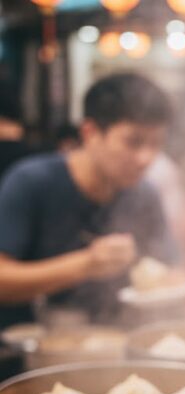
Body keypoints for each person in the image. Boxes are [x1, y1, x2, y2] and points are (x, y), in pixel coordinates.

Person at [0, 73, 175, 329]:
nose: (146, 158)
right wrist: (87, 264)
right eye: (133, 142)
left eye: (156, 143)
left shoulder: (145, 194)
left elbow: (169, 267)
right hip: (37, 346)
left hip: (120, 339)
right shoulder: (32, 181)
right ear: (90, 132)